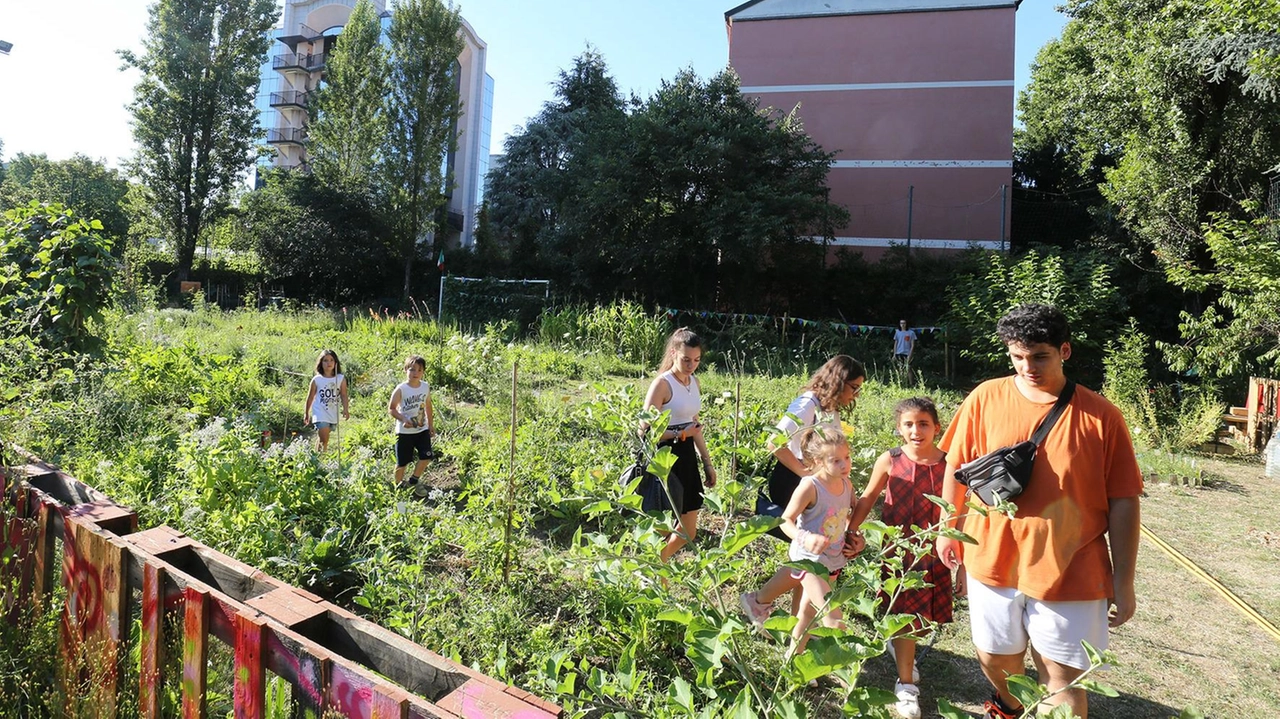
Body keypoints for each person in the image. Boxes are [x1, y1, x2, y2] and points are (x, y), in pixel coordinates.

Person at [935, 304, 1142, 719]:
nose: (1027, 366)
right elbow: (957, 470)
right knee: (995, 658)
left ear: (1064, 350)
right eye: (1017, 356)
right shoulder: (984, 398)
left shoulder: (1101, 416)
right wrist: (947, 529)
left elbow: (1124, 500)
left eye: (1039, 355)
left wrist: (1124, 578)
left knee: (1061, 679)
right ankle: (1010, 708)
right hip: (991, 557)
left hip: (1071, 567)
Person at [848, 397, 951, 719]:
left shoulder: (950, 464)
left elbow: (957, 513)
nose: (916, 430)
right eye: (908, 424)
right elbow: (867, 499)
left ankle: (900, 649)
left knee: (919, 620)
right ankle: (906, 687)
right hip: (899, 552)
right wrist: (852, 530)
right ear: (899, 428)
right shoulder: (890, 460)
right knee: (906, 615)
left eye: (923, 423)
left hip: (933, 551)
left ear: (937, 427)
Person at [753, 355, 867, 612]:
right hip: (794, 480)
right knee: (810, 554)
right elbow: (775, 442)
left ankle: (798, 621)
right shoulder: (808, 403)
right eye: (854, 387)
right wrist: (805, 473)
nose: (856, 394)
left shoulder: (829, 408)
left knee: (815, 553)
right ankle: (760, 601)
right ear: (839, 382)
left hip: (818, 481)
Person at [740, 425, 852, 658]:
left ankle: (793, 661)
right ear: (818, 461)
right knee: (833, 618)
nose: (845, 465)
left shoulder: (846, 484)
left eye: (847, 457)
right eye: (836, 461)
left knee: (807, 615)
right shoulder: (810, 486)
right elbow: (785, 520)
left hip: (832, 559)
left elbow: (846, 515)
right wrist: (806, 537)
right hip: (809, 561)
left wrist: (856, 537)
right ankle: (845, 668)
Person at [642, 328, 717, 562]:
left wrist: (707, 462)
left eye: (696, 360)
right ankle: (653, 570)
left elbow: (695, 426)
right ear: (674, 353)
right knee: (664, 527)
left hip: (687, 456)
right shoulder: (662, 384)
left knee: (688, 531)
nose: (691, 365)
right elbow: (644, 430)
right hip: (665, 458)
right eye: (686, 360)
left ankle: (658, 561)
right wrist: (680, 432)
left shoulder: (694, 382)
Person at [388, 355, 435, 497]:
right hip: (404, 432)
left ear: (423, 372)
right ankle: (397, 487)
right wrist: (403, 418)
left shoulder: (425, 387)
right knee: (402, 463)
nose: (416, 373)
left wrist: (431, 425)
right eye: (412, 369)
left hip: (422, 429)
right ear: (405, 370)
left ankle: (414, 481)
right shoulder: (401, 389)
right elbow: (391, 409)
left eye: (420, 370)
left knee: (426, 456)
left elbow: (428, 406)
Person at [303, 349, 350, 452]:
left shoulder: (340, 378)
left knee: (323, 438)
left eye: (331, 360)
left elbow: (343, 395)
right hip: (320, 411)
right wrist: (306, 412)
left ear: (335, 362)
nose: (329, 363)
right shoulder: (317, 379)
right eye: (325, 360)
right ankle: (322, 459)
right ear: (321, 363)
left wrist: (346, 409)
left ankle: (316, 457)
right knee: (324, 439)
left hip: (333, 411)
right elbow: (310, 397)